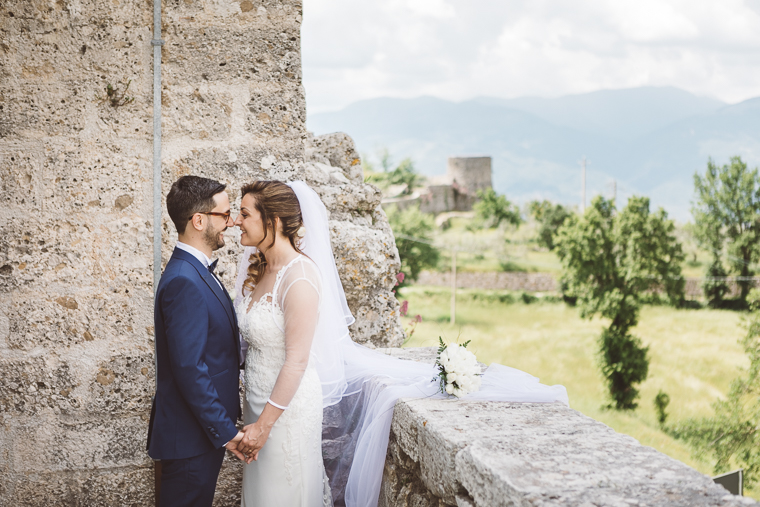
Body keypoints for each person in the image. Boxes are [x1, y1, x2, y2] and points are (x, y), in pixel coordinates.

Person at [232, 180, 569, 507]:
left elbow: (297, 361)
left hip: (284, 415)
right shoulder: (261, 270)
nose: (237, 221)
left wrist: (264, 426)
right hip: (259, 404)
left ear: (273, 221)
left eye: (245, 214)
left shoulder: (300, 277)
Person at [147, 175, 246, 507]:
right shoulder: (183, 281)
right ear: (199, 220)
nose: (231, 222)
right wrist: (226, 431)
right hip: (191, 437)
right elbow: (190, 368)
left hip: (197, 435)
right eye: (225, 214)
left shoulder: (195, 271)